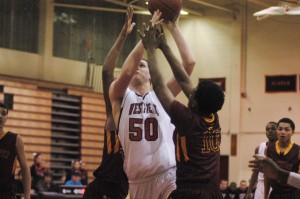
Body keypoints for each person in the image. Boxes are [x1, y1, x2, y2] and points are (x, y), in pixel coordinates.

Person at [109, 10, 195, 199]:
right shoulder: (119, 96)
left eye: (143, 65)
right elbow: (125, 72)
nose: (136, 66)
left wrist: (174, 28)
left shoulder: (162, 96)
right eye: (135, 64)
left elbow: (188, 64)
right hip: (137, 180)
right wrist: (146, 39)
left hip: (168, 175)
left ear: (151, 75)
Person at [140, 19, 224, 198]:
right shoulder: (213, 117)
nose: (190, 92)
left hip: (190, 192)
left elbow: (160, 86)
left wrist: (151, 49)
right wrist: (164, 46)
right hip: (213, 192)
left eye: (193, 94)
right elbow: (184, 80)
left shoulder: (188, 120)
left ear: (193, 103)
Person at [83, 6, 134, 199]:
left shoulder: (149, 116)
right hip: (103, 189)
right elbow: (106, 72)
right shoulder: (116, 112)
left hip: (128, 189)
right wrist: (123, 35)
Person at [0, 102, 31, 199]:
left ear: (7, 118)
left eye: (4, 113)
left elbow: (25, 169)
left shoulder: (15, 139)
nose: (0, 116)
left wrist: (27, 196)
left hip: (6, 194)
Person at [264, 118, 299, 199]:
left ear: (292, 133)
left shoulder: (298, 151)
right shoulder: (269, 150)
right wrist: (265, 196)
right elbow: (267, 176)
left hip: (293, 193)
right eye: (280, 129)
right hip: (275, 193)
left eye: (287, 130)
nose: (283, 132)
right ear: (277, 131)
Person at [246, 121, 278, 199]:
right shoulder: (259, 147)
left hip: (275, 185)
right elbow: (255, 172)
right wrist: (249, 191)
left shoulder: (282, 148)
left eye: (273, 128)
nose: (270, 131)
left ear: (278, 130)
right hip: (260, 185)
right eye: (267, 129)